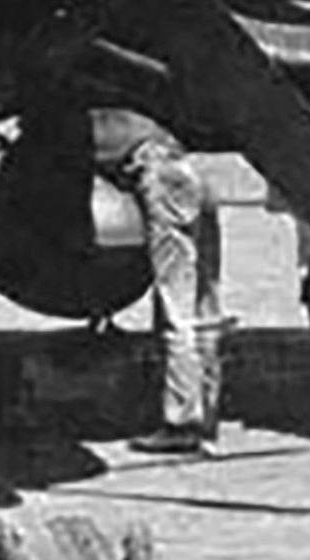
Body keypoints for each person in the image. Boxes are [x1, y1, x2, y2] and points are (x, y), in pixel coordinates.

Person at [93, 109, 224, 454]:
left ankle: (182, 422)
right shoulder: (132, 113)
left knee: (175, 305)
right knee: (204, 304)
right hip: (192, 174)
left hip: (162, 181)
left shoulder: (85, 119)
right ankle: (206, 411)